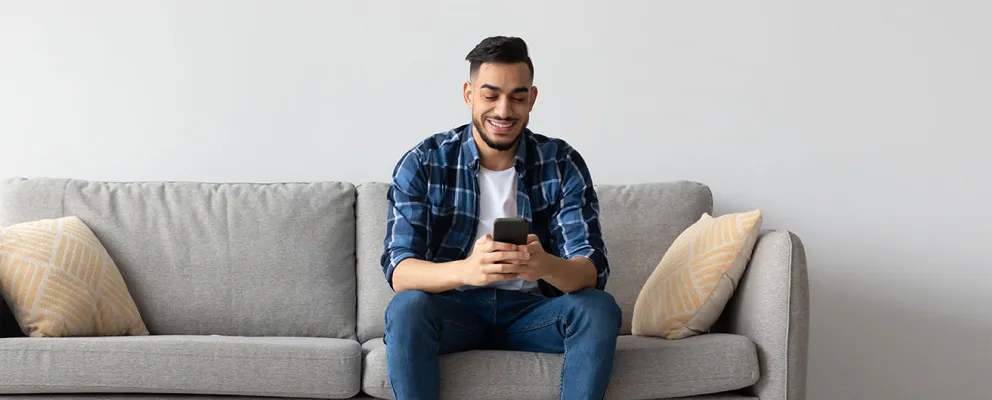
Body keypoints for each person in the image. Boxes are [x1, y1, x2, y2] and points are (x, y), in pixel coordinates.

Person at [380, 36, 621, 400]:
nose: (504, 111)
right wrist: (466, 270)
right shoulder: (424, 163)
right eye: (490, 95)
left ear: (532, 99)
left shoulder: (561, 162)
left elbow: (591, 268)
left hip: (534, 313)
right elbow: (400, 269)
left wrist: (544, 266)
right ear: (469, 94)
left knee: (599, 309)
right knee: (407, 309)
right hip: (454, 310)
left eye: (517, 97)